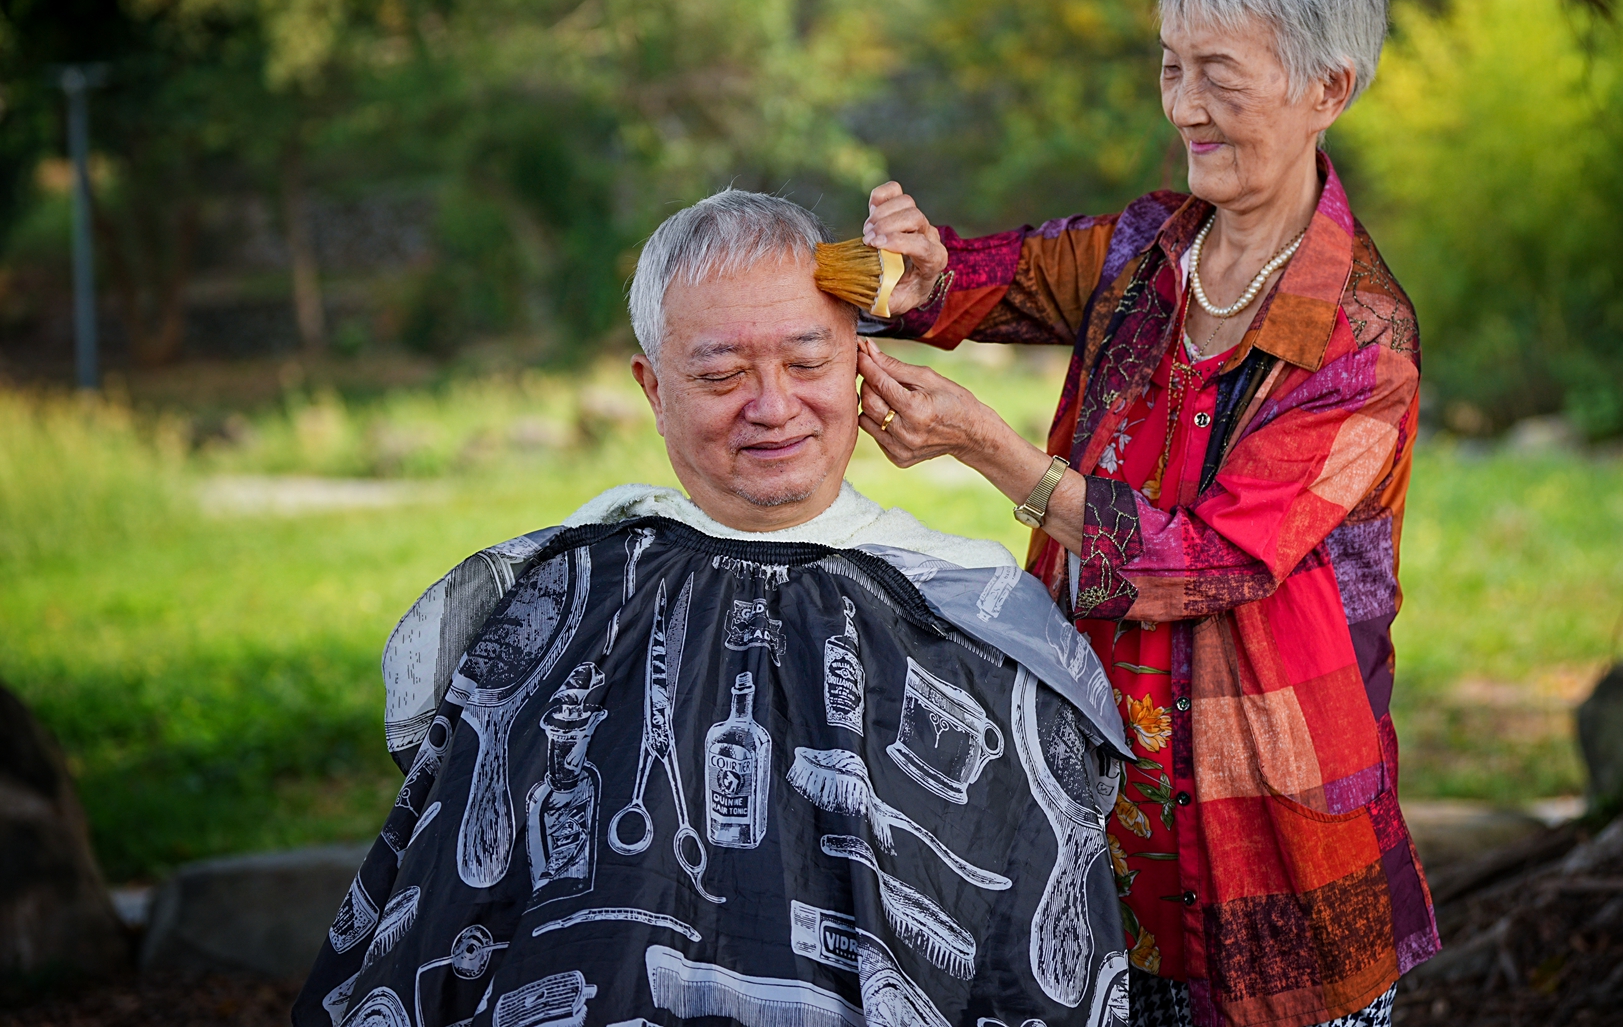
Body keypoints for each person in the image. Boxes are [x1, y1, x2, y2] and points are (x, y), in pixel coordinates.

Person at [294, 190, 1132, 1027]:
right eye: (721, 375)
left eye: (806, 364)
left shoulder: (972, 624)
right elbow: (451, 906)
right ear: (653, 390)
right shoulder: (552, 596)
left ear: (860, 365)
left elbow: (1027, 951)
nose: (771, 406)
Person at [850, 0, 1436, 1027]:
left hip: (1271, 829)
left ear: (1329, 85)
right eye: (1173, 63)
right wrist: (919, 276)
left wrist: (992, 451)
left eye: (1220, 72)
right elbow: (992, 277)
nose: (1184, 103)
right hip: (1098, 799)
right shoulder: (1143, 250)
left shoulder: (1361, 339)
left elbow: (1206, 561)